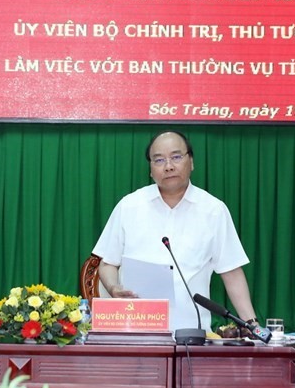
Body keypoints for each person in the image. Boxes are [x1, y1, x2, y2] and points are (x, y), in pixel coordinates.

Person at [92, 130, 259, 332]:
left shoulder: (213, 210)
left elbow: (231, 272)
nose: (169, 166)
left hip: (191, 335)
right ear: (151, 170)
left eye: (176, 157)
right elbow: (108, 264)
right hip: (135, 331)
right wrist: (113, 287)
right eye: (159, 160)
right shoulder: (129, 206)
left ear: (192, 162)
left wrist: (253, 326)